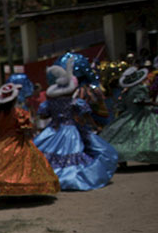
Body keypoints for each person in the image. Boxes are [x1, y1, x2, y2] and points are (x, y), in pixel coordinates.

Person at [33, 58, 119, 191]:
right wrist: (91, 127)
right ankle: (70, 178)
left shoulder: (49, 103)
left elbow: (43, 115)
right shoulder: (75, 102)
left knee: (46, 151)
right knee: (75, 153)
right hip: (71, 129)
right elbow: (84, 116)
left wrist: (56, 116)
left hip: (53, 130)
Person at [0, 83, 60, 196]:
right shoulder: (19, 113)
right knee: (22, 169)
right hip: (18, 144)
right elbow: (28, 129)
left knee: (2, 169)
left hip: (1, 144)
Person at [100, 67, 158, 166]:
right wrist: (152, 103)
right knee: (150, 135)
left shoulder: (126, 91)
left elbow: (121, 105)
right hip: (142, 114)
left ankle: (121, 156)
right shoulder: (140, 88)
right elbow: (140, 101)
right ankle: (153, 155)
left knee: (123, 136)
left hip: (129, 114)